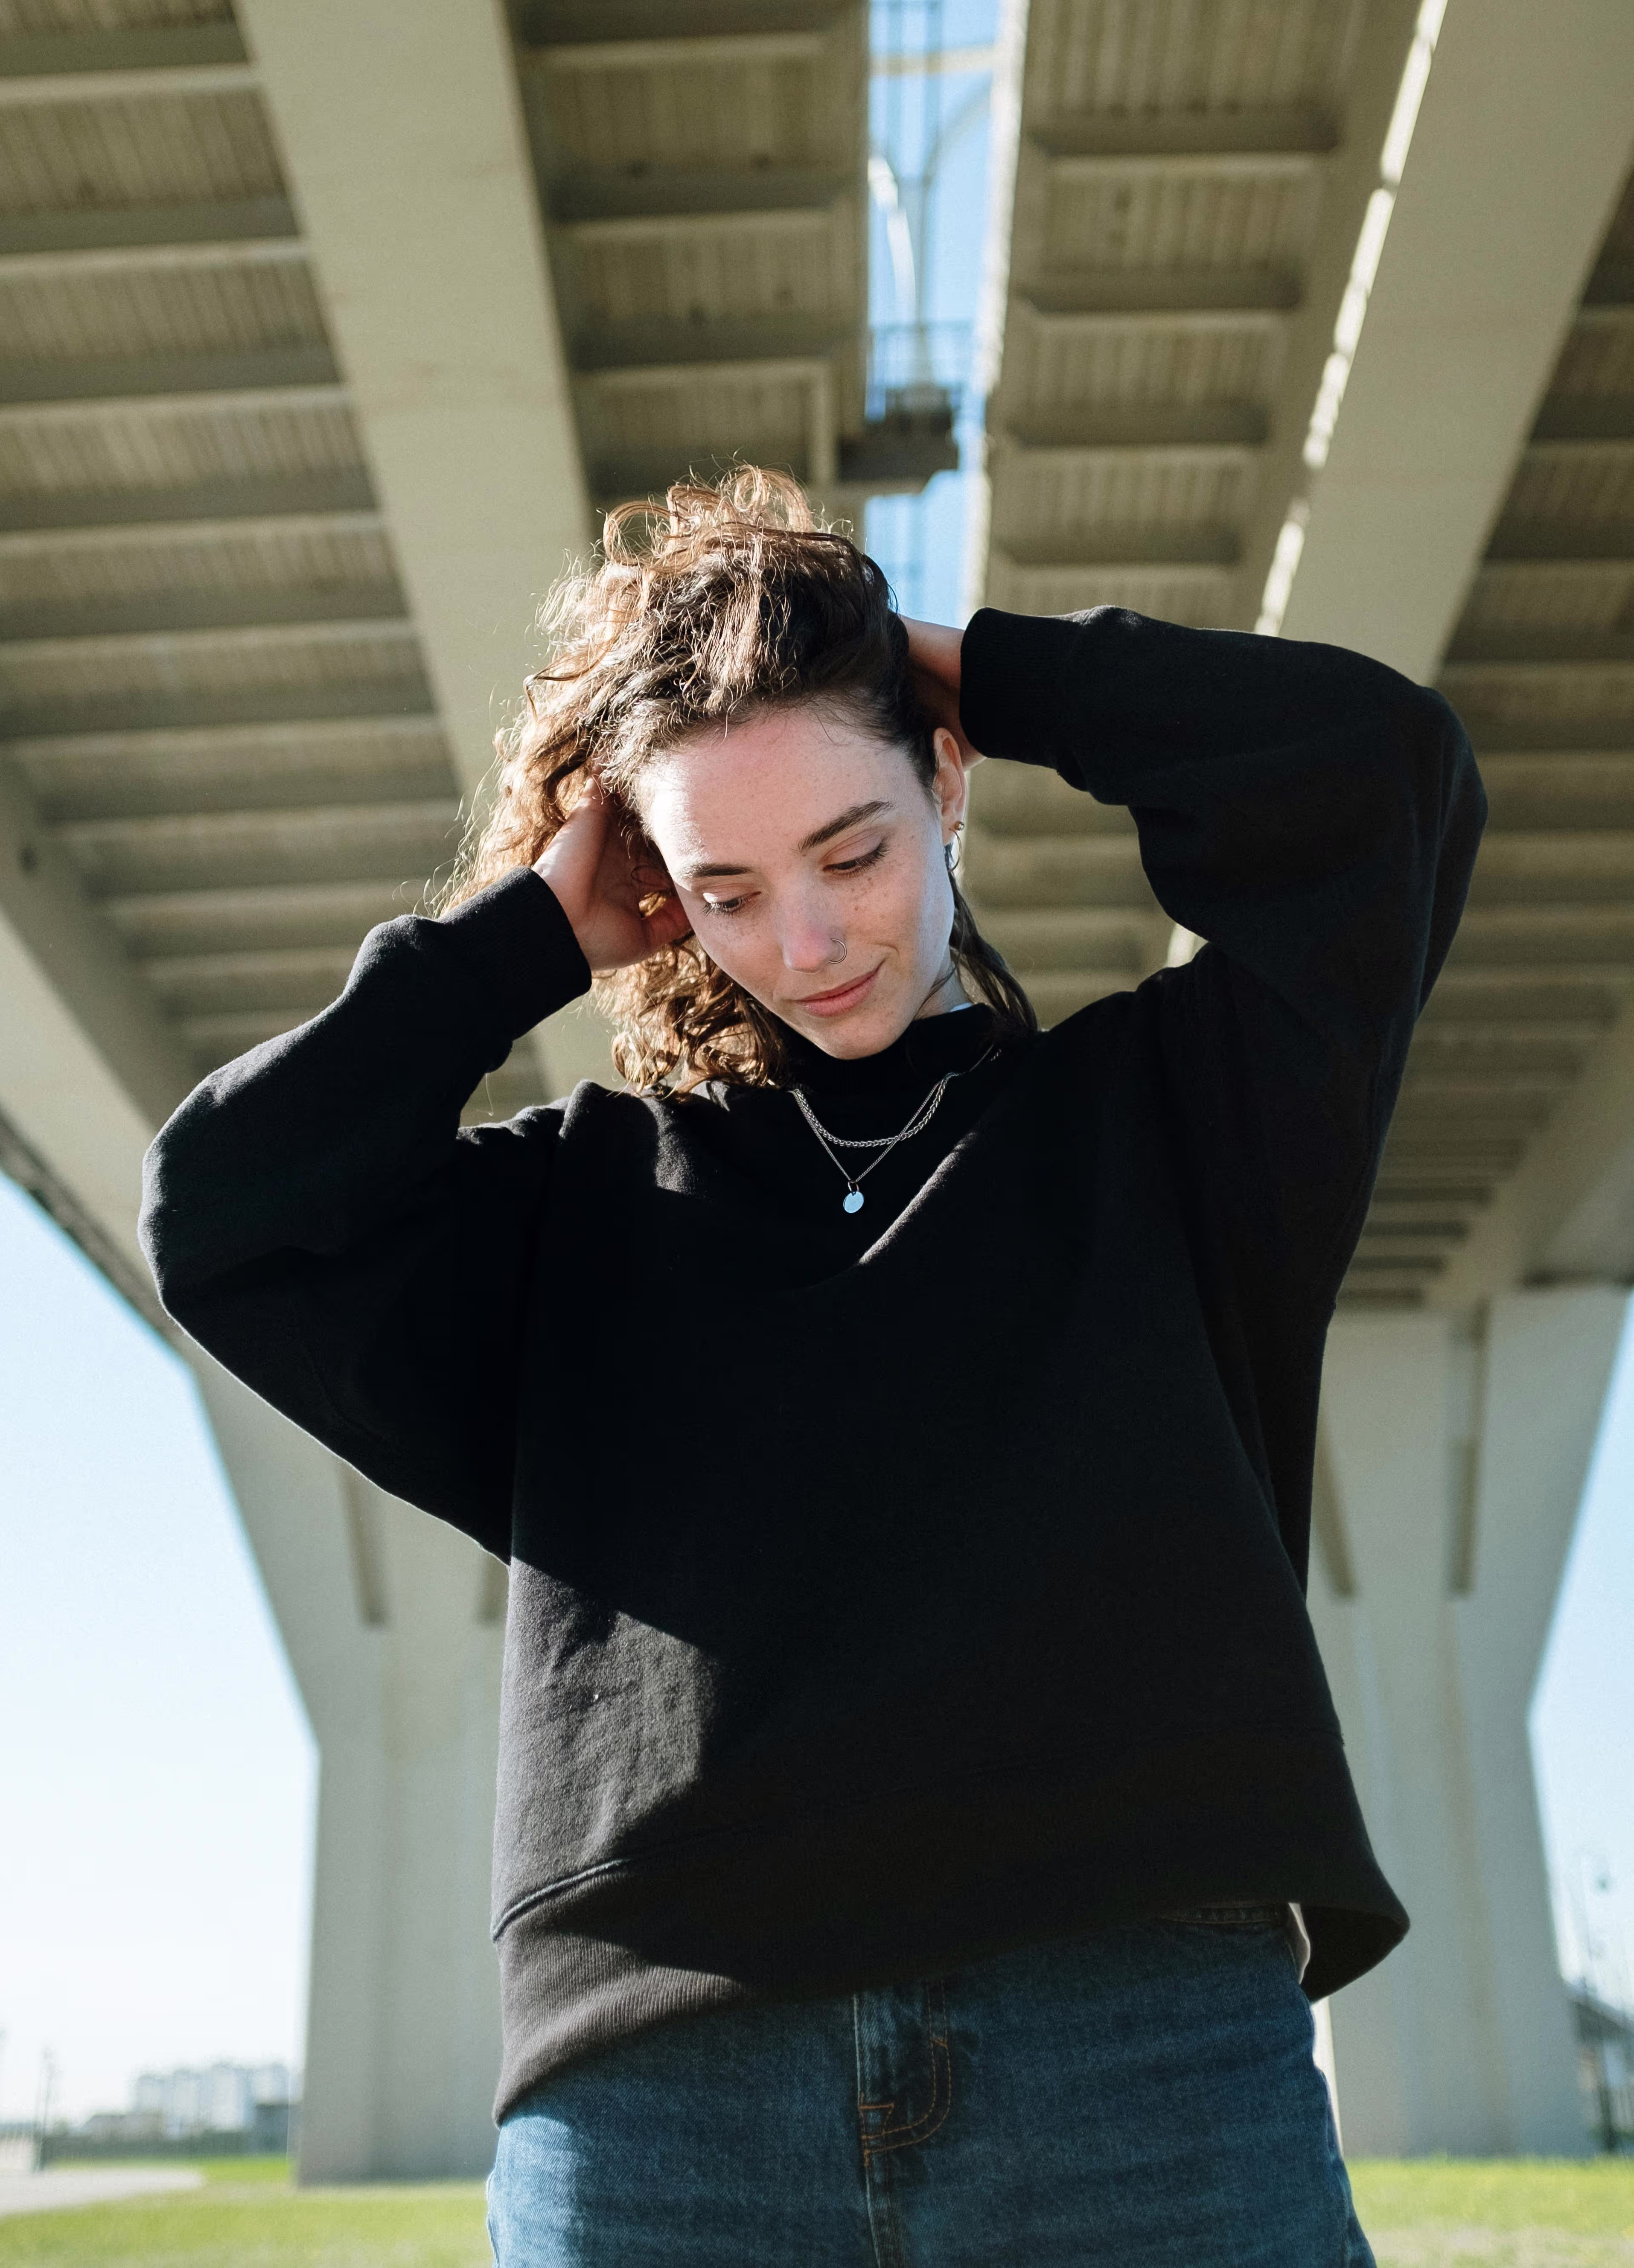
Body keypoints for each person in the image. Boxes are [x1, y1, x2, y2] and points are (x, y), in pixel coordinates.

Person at [141, 468, 1484, 2266]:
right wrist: (527, 934)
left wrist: (959, 664)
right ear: (664, 899)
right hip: (666, 2091)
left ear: (944, 783)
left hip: (1141, 2051)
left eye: (851, 847)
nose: (811, 937)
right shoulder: (575, 1210)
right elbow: (227, 1210)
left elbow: (1378, 775)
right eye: (731, 888)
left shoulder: (1178, 1121)